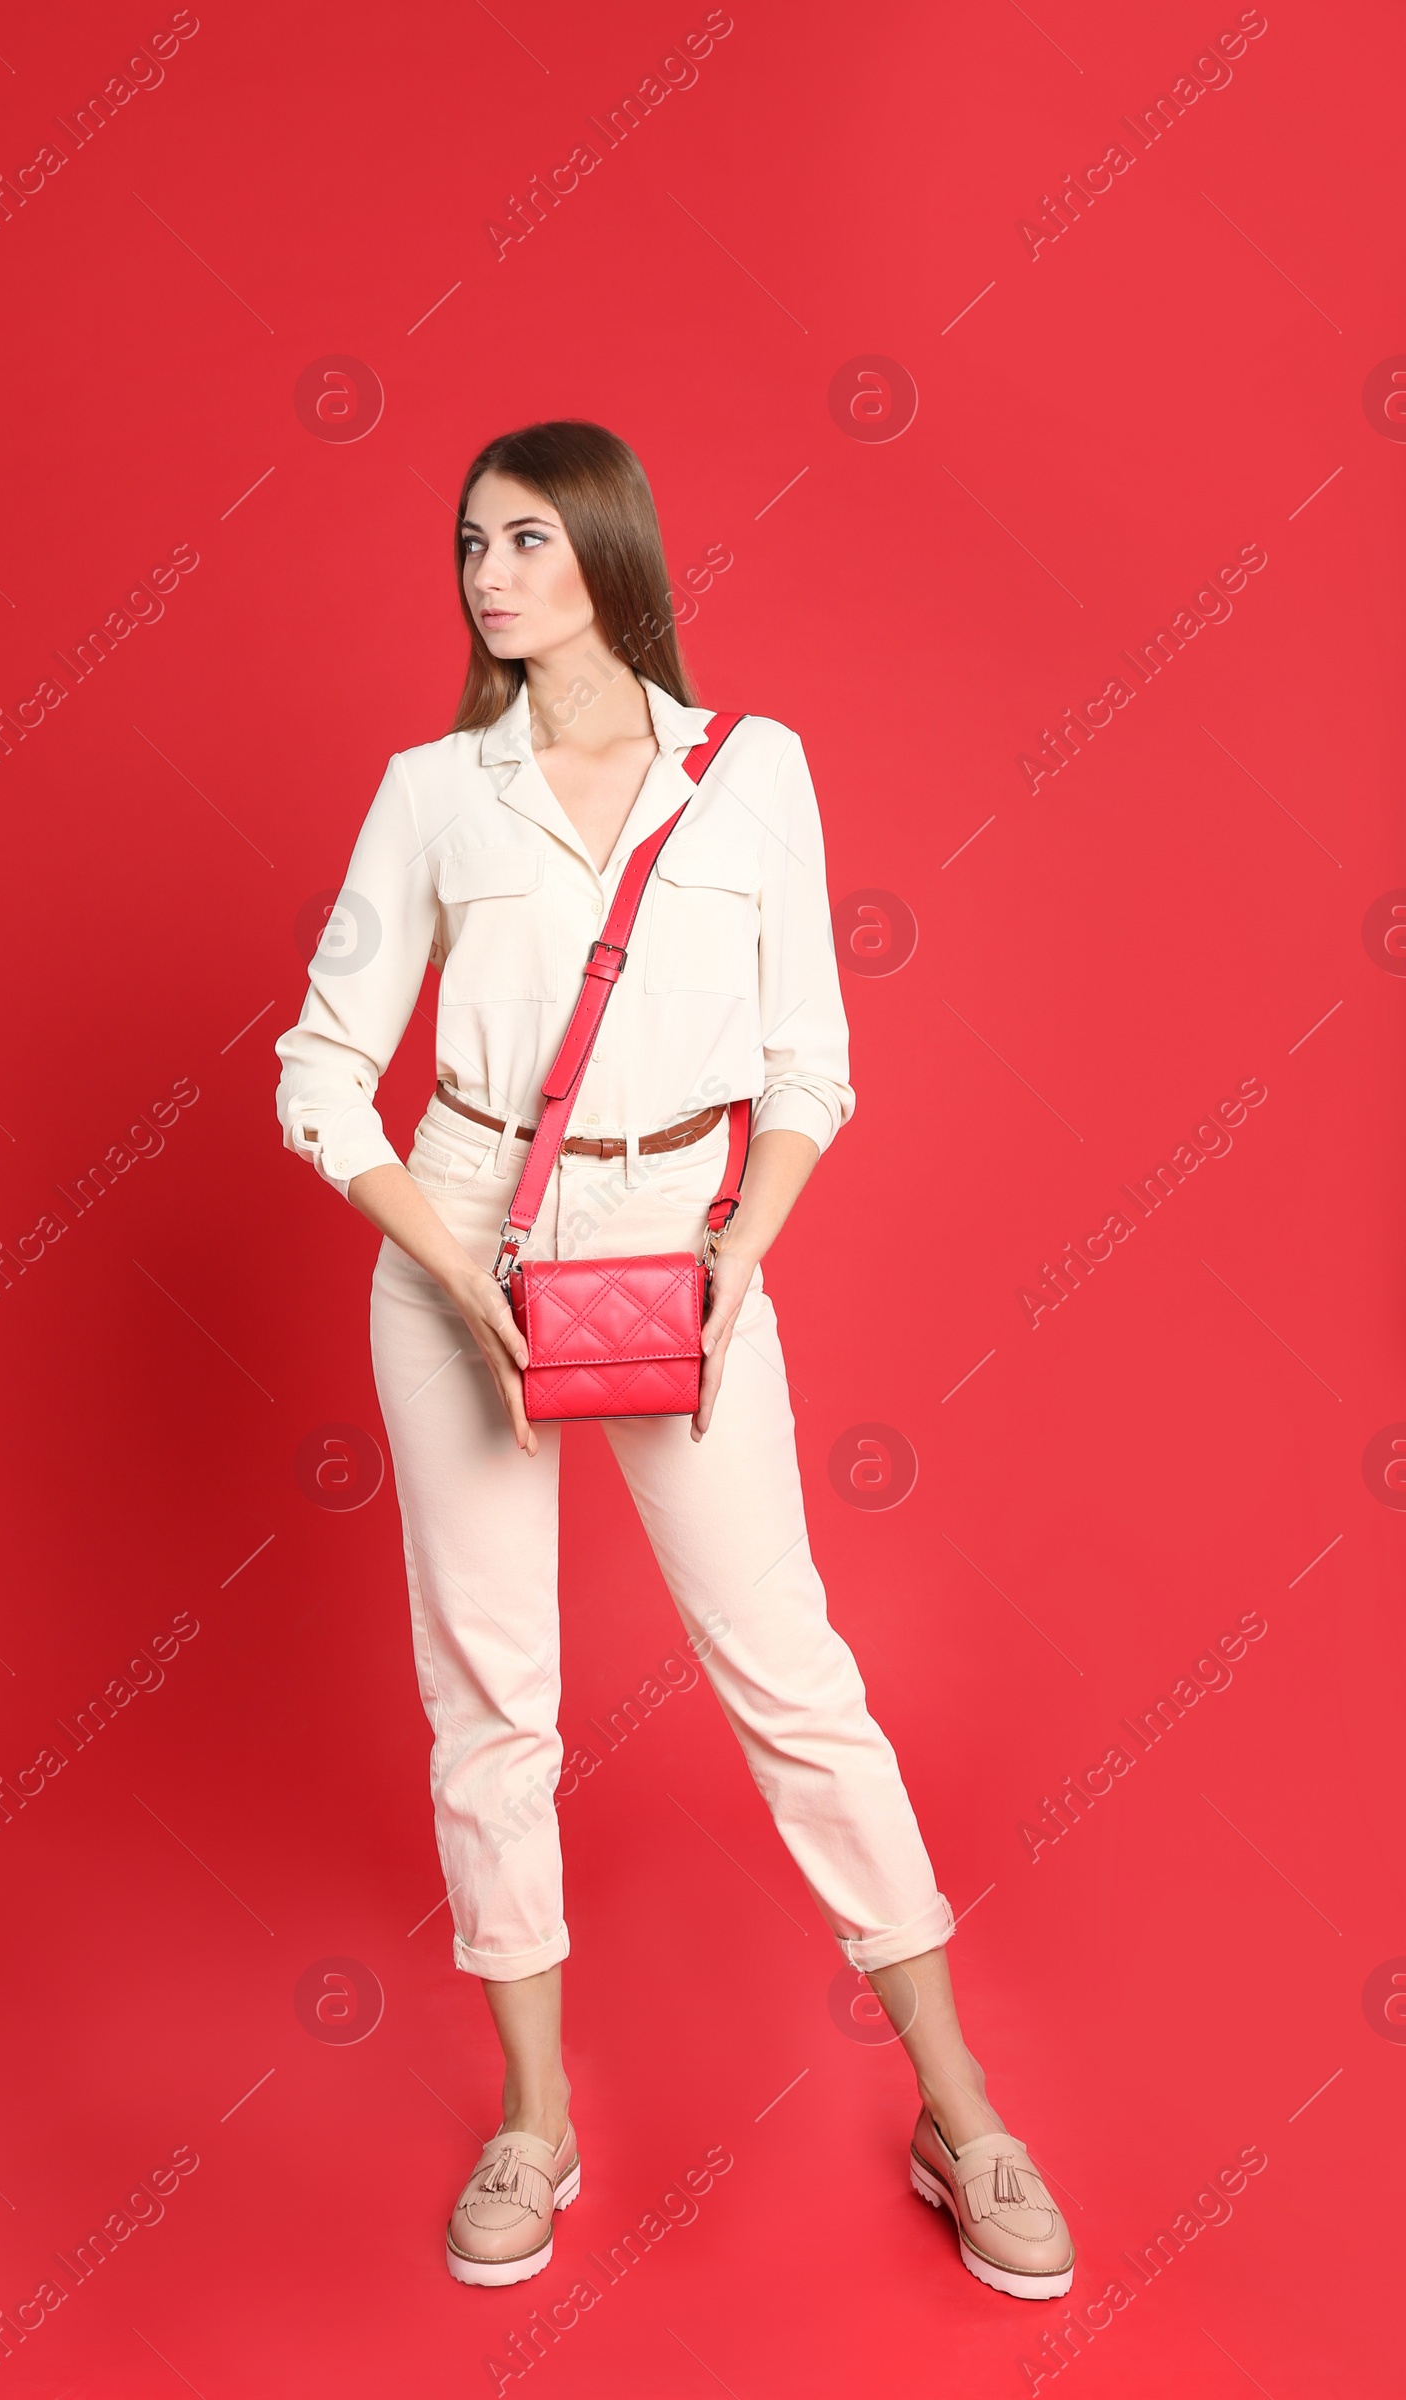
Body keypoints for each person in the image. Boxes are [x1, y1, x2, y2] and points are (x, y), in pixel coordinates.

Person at [274, 419, 1072, 2303]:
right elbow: (319, 1068)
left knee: (792, 1677)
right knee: (496, 1703)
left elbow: (812, 1061)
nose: (486, 573)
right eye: (470, 542)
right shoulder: (435, 793)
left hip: (686, 1256)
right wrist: (450, 1264)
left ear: (613, 554)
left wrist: (738, 1259)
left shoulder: (752, 775)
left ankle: (961, 2115)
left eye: (528, 539)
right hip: (464, 1240)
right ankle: (534, 2130)